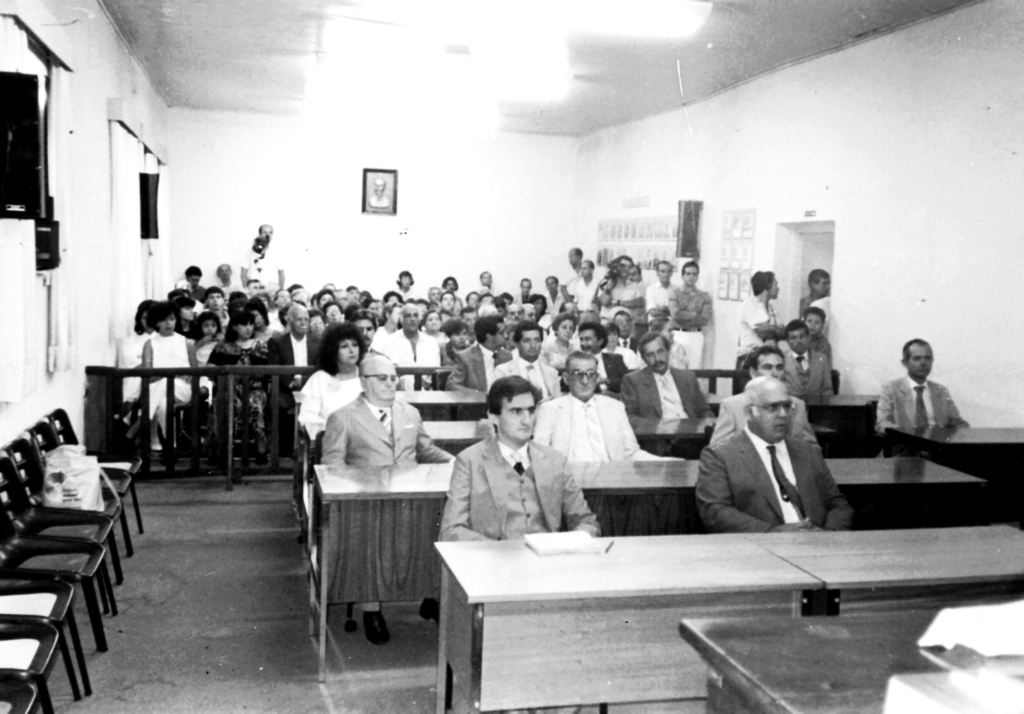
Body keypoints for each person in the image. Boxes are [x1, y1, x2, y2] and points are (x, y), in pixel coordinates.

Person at [322, 356, 453, 644]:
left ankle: (431, 596)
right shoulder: (342, 417)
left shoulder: (409, 413)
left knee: (438, 527)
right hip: (368, 504)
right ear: (363, 381)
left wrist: (458, 462)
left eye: (393, 378)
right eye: (382, 378)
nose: (390, 384)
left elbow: (426, 450)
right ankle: (371, 609)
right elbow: (332, 466)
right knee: (372, 546)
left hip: (413, 497)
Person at [439, 375, 600, 541]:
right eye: (516, 412)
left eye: (531, 411)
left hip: (545, 560)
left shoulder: (555, 460)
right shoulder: (469, 461)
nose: (527, 420)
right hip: (494, 560)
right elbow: (451, 529)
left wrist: (565, 544)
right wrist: (495, 552)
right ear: (493, 417)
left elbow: (587, 521)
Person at [696, 377, 854, 533]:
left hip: (818, 546)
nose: (783, 414)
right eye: (773, 407)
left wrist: (828, 534)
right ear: (749, 412)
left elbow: (837, 503)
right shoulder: (720, 455)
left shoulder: (807, 451)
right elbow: (715, 512)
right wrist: (773, 533)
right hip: (761, 549)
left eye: (787, 406)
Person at [534, 352, 661, 461]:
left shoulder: (615, 407)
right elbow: (540, 456)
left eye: (590, 374)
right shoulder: (549, 410)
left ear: (597, 378)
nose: (585, 381)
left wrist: (670, 462)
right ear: (566, 378)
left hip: (611, 480)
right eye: (578, 374)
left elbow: (631, 453)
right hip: (569, 481)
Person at [711, 346, 817, 446]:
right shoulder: (732, 406)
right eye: (768, 367)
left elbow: (812, 448)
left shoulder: (797, 405)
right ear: (753, 373)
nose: (775, 373)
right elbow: (716, 446)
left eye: (779, 368)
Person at [208, 310, 269, 462]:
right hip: (228, 388)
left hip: (254, 389)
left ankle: (261, 447)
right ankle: (219, 449)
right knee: (224, 403)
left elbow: (266, 371)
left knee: (253, 404)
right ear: (234, 327)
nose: (248, 328)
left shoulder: (260, 346)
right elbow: (210, 367)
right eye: (243, 325)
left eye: (250, 324)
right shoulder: (223, 347)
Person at [875, 339, 969, 436]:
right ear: (905, 363)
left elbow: (958, 423)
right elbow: (882, 423)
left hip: (937, 447)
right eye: (917, 358)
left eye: (928, 358)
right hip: (904, 446)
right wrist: (904, 435)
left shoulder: (940, 391)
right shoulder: (891, 389)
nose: (923, 362)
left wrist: (962, 434)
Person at [139, 301, 197, 451]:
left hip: (183, 390)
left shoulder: (186, 343)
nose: (168, 323)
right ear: (156, 322)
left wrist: (171, 375)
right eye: (163, 320)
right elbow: (147, 373)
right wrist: (174, 374)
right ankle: (171, 447)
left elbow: (194, 372)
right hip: (159, 389)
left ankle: (138, 423)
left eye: (171, 319)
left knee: (166, 382)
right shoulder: (150, 343)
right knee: (164, 405)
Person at [621, 332, 713, 423]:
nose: (657, 359)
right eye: (650, 355)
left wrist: (708, 423)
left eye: (660, 351)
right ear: (644, 359)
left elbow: (704, 410)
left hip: (689, 432)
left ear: (668, 351)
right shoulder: (633, 381)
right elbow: (629, 417)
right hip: (655, 434)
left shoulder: (687, 377)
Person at [298, 323, 367, 439]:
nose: (351, 350)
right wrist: (335, 429)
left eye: (355, 345)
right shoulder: (319, 379)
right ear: (333, 351)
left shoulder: (368, 376)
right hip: (331, 441)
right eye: (344, 346)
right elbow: (307, 417)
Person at [493, 321, 561, 399]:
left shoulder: (552, 373)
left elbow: (558, 406)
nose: (533, 345)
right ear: (517, 344)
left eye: (537, 340)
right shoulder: (503, 372)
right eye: (527, 341)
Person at [381, 303, 441, 390]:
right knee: (408, 379)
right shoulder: (390, 341)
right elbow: (391, 371)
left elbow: (435, 369)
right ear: (401, 319)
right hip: (399, 391)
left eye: (415, 315)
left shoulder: (431, 342)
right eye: (408, 316)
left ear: (419, 319)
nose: (412, 319)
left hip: (428, 389)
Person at [446, 314, 512, 392]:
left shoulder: (507, 356)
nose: (506, 335)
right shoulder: (465, 357)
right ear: (489, 336)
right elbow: (452, 385)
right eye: (501, 333)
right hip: (478, 402)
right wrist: (477, 395)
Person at [737, 270, 784, 368]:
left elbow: (784, 332)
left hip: (767, 358)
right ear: (767, 286)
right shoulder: (749, 305)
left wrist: (772, 329)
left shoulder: (772, 308)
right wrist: (776, 329)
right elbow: (763, 333)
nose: (778, 288)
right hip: (750, 358)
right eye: (776, 284)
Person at [671, 260, 713, 369]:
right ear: (682, 275)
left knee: (695, 369)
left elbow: (704, 319)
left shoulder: (704, 296)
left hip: (696, 335)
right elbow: (676, 315)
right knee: (677, 368)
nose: (691, 277)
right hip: (678, 334)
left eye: (694, 274)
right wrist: (694, 315)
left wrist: (685, 314)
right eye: (688, 273)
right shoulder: (675, 293)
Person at [782, 319, 833, 405]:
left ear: (808, 337)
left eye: (802, 337)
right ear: (787, 342)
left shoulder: (821, 359)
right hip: (790, 410)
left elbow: (827, 390)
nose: (798, 341)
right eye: (793, 338)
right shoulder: (782, 360)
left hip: (816, 410)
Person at [576, 320, 629, 394]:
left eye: (588, 339)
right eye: (581, 339)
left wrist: (606, 380)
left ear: (600, 341)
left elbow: (627, 383)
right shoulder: (576, 362)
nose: (583, 343)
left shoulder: (615, 359)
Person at [241, 224, 284, 290]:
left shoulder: (276, 253)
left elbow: (281, 274)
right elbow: (243, 273)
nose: (268, 235)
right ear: (260, 234)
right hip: (254, 288)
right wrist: (246, 288)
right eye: (265, 232)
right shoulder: (249, 252)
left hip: (271, 288)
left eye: (270, 233)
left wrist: (280, 290)